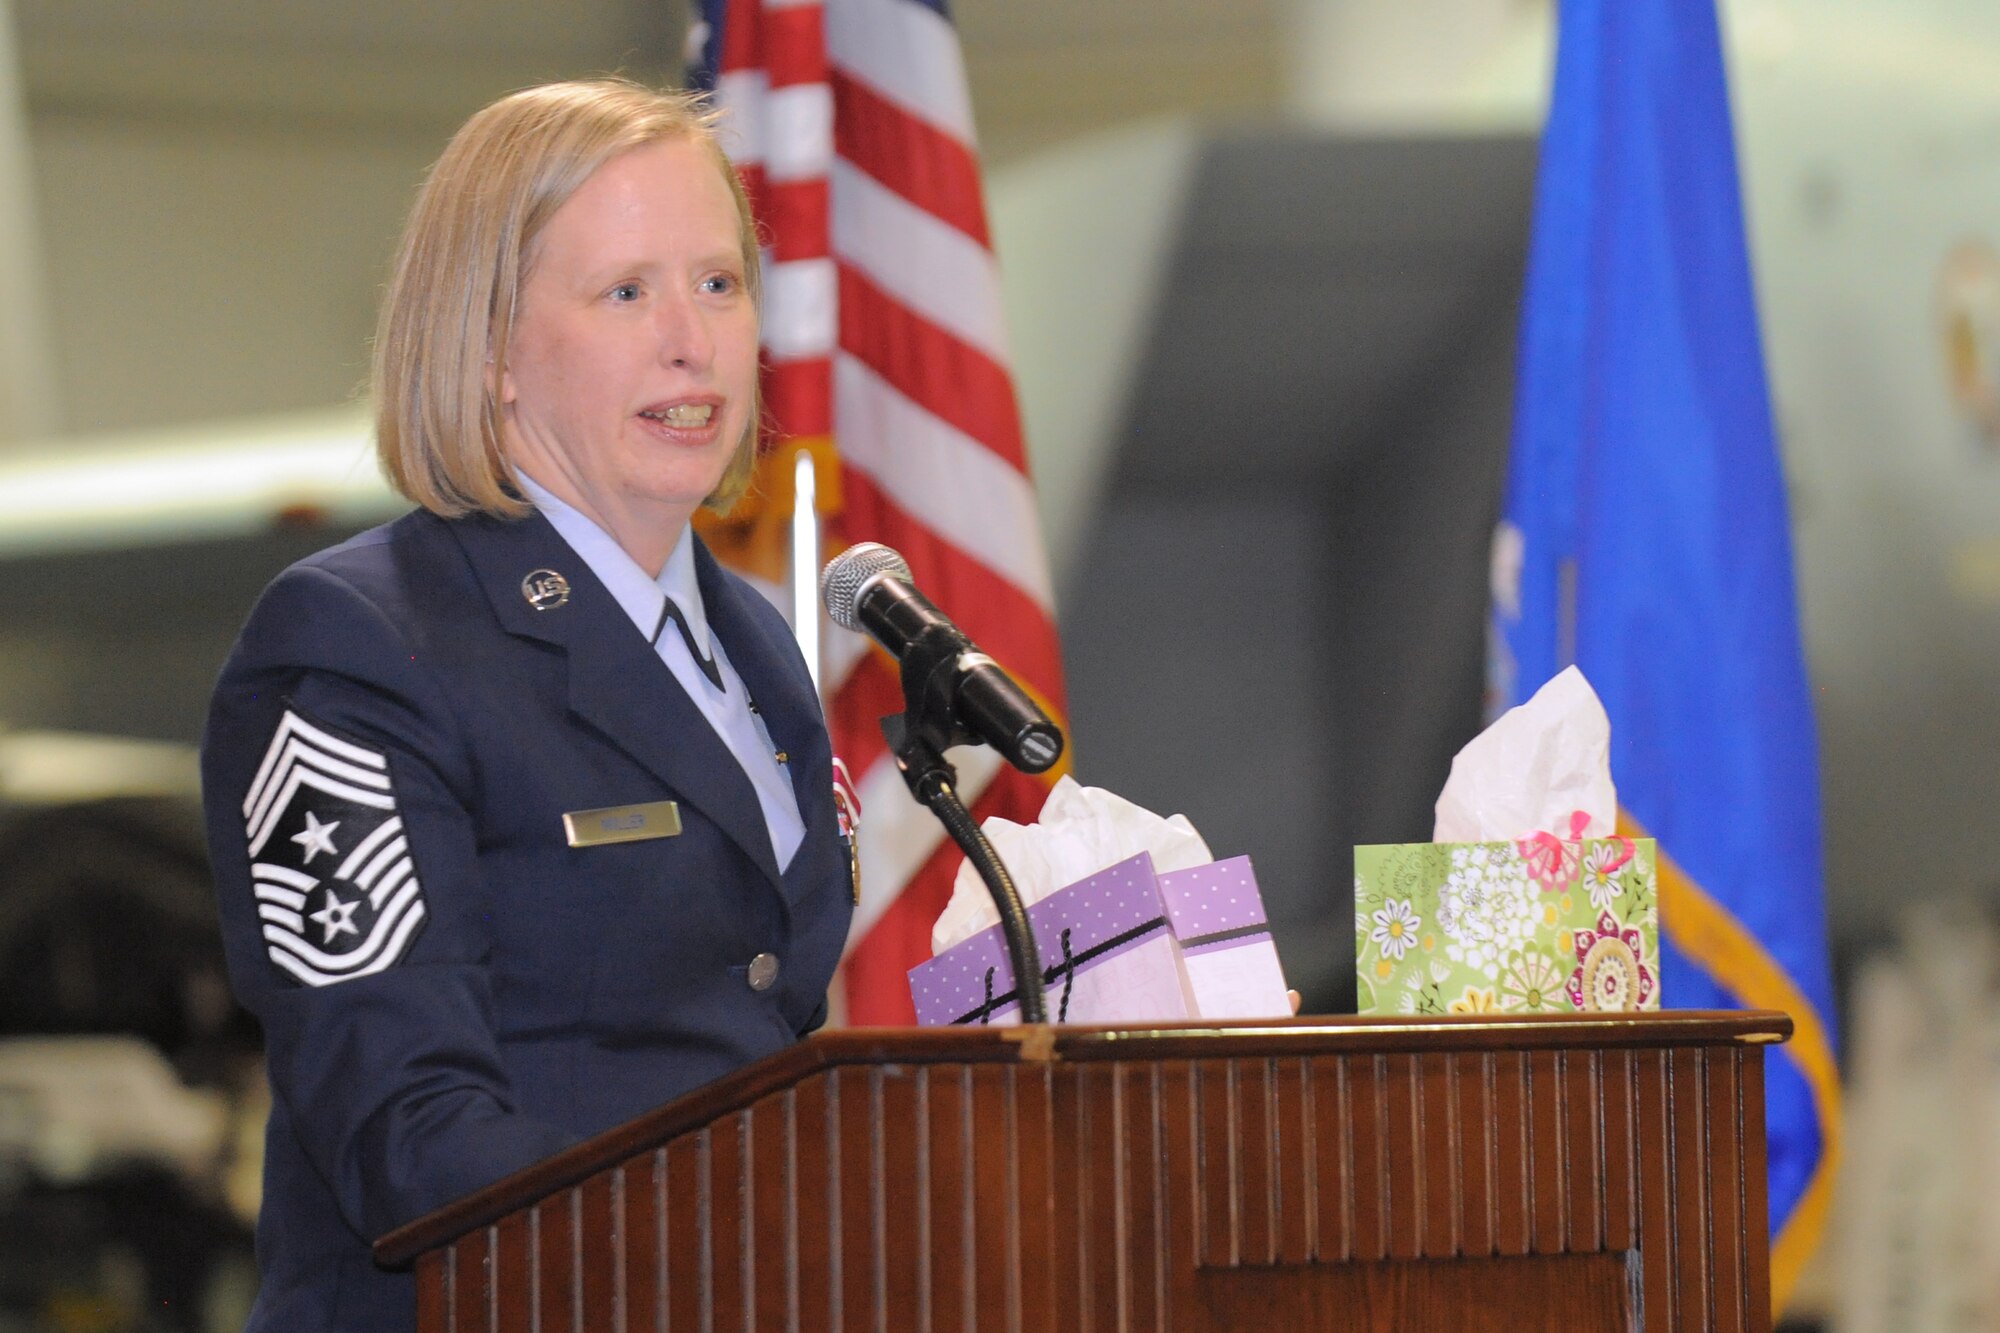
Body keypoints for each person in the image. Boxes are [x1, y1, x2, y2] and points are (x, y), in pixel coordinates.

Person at [201, 79, 854, 1330]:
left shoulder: (754, 642)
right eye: (625, 292)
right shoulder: (354, 646)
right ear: (489, 349)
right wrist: (737, 1265)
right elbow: (410, 1134)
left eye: (718, 284)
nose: (690, 338)